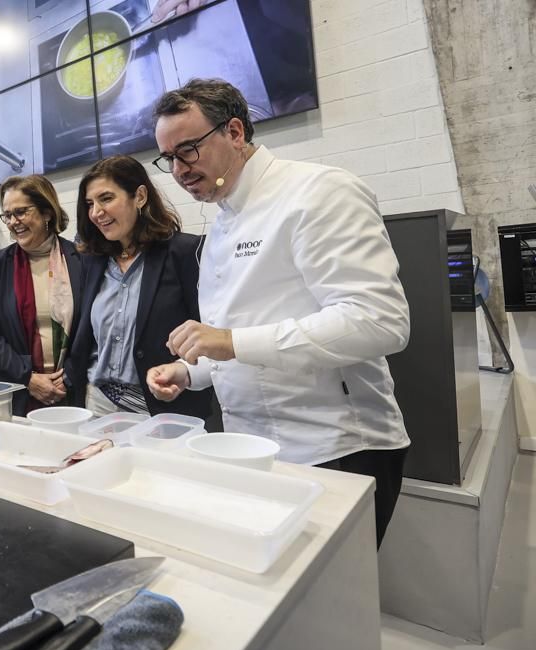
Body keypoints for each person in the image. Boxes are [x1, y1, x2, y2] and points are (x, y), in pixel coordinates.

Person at [144, 79, 410, 547]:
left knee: (330, 601)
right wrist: (191, 371)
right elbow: (238, 335)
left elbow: (379, 321)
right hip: (252, 448)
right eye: (168, 159)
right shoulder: (222, 222)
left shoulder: (317, 192)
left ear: (234, 132)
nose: (180, 170)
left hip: (337, 448)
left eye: (188, 149)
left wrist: (227, 342)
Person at [65, 155, 212, 420]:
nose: (96, 212)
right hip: (98, 402)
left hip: (162, 405)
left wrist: (182, 371)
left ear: (140, 196)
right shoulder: (93, 262)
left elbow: (209, 336)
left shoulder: (185, 253)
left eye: (106, 198)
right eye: (90, 203)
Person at [0, 174, 84, 414]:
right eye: (7, 215)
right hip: (18, 392)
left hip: (74, 390)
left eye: (21, 212)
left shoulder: (81, 260)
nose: (13, 222)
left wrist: (68, 377)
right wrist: (28, 378)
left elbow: (91, 330)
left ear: (47, 212)